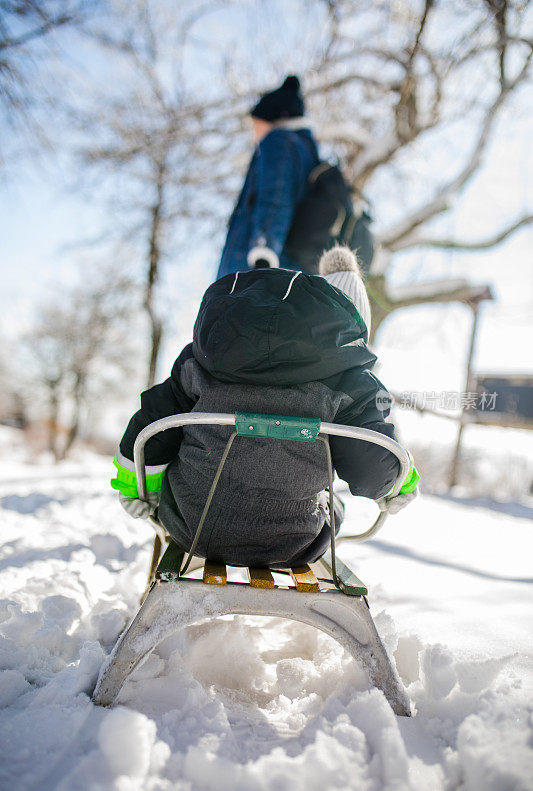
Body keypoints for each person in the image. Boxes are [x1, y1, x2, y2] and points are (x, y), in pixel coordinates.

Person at [112, 246, 419, 568]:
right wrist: (402, 480)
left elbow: (149, 434)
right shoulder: (351, 384)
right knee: (332, 502)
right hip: (296, 540)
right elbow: (373, 469)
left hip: (192, 528)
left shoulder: (198, 364)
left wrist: (139, 489)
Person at [217, 75, 319, 279]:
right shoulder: (305, 150)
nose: (255, 133)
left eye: (256, 124)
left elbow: (275, 198)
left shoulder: (279, 141)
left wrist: (263, 255)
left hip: (254, 273)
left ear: (274, 118)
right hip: (288, 271)